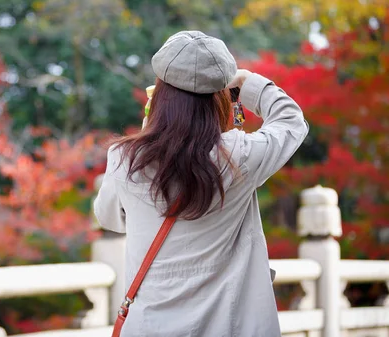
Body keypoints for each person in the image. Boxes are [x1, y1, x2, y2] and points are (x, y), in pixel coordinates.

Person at [94, 31, 309, 337]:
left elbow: (109, 217)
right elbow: (291, 122)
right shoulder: (239, 155)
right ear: (220, 97)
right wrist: (247, 83)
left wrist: (146, 131)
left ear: (161, 95)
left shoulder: (125, 158)